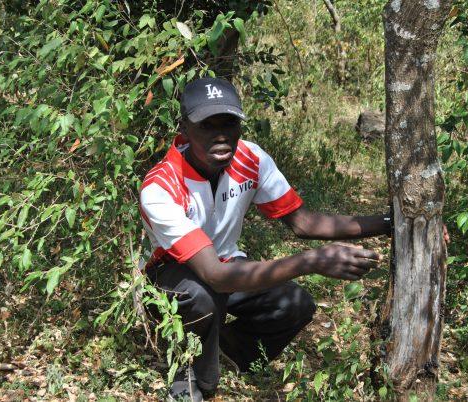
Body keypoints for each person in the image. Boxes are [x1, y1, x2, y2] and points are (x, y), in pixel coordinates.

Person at [139, 77, 390, 401]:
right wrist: (312, 261)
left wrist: (388, 222)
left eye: (229, 123)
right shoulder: (162, 186)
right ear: (184, 129)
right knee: (203, 296)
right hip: (170, 278)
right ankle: (191, 379)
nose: (220, 135)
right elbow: (214, 275)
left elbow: (304, 223)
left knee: (295, 304)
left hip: (228, 266)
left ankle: (225, 349)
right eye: (206, 125)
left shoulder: (250, 159)